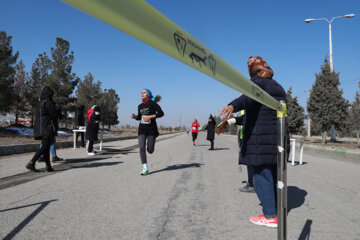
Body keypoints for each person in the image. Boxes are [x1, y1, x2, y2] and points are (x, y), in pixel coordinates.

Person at [220, 56, 287, 228]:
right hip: (276, 137)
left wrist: (233, 105)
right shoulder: (277, 86)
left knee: (260, 176)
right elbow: (256, 113)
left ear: (252, 70)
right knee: (271, 175)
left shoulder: (259, 83)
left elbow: (247, 98)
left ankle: (270, 215)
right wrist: (232, 120)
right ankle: (275, 210)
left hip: (261, 138)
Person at [131, 89, 164, 175]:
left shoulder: (153, 104)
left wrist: (150, 116)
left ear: (148, 95)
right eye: (141, 93)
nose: (142, 94)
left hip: (151, 129)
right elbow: (139, 117)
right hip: (142, 129)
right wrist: (135, 116)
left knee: (150, 150)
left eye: (144, 92)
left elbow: (161, 113)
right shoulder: (140, 106)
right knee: (141, 147)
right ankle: (145, 168)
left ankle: (152, 142)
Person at [26, 86, 58, 172]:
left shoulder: (39, 103)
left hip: (39, 127)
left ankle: (48, 166)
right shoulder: (48, 102)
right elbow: (53, 115)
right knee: (44, 147)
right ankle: (31, 163)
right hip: (47, 127)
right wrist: (58, 110)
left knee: (46, 147)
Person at [226, 110, 255, 193]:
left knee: (251, 162)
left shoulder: (250, 103)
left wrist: (233, 120)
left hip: (250, 136)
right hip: (244, 136)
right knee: (248, 162)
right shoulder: (243, 108)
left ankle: (252, 184)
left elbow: (245, 119)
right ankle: (252, 182)